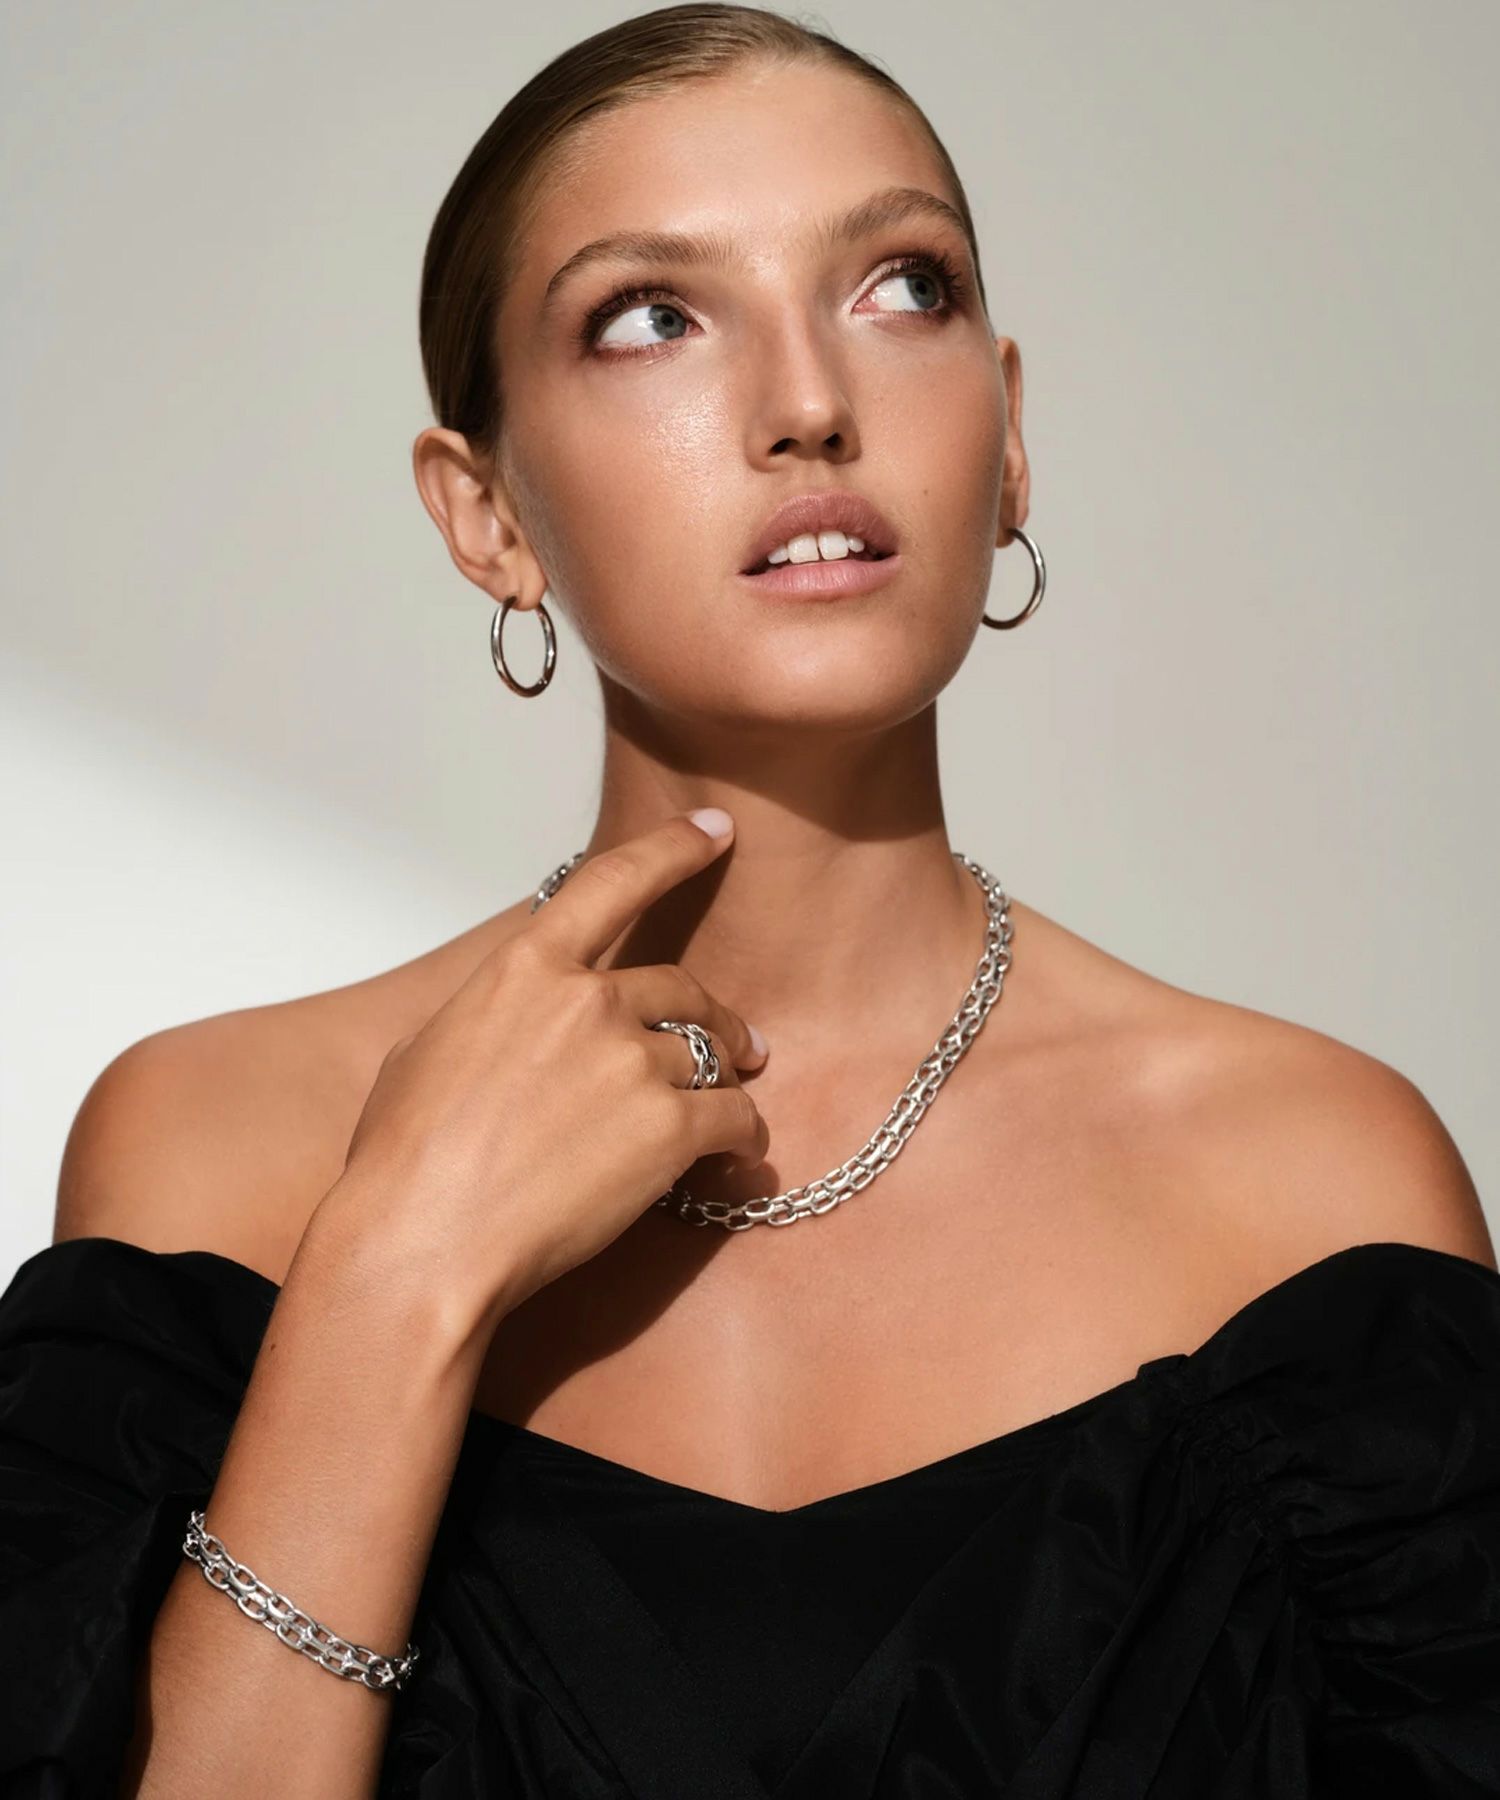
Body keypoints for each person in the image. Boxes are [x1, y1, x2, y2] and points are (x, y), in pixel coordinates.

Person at [3, 4, 1498, 1795]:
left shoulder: (1315, 1192)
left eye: (902, 289)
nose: (808, 406)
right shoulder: (216, 1153)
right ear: (485, 516)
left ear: (1011, 437)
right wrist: (397, 1278)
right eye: (653, 316)